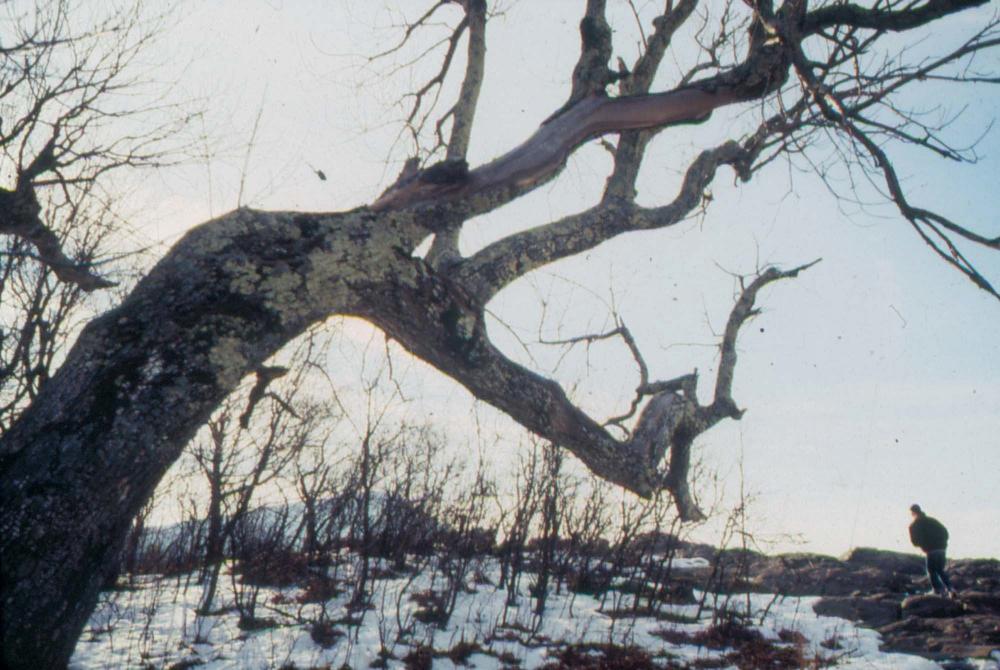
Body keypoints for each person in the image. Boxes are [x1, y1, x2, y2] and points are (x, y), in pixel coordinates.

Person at [908, 504, 955, 597]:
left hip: (931, 550)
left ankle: (938, 590)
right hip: (942, 549)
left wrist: (924, 545)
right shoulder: (933, 520)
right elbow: (945, 532)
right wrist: (942, 543)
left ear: (913, 513)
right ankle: (951, 589)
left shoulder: (914, 525)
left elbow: (915, 542)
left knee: (931, 571)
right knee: (940, 570)